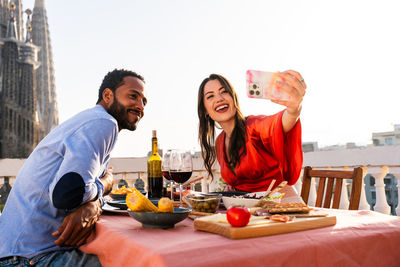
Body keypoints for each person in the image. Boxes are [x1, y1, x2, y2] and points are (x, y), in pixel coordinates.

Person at [0, 69, 147, 266]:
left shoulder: (91, 121)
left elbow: (77, 190)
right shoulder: (104, 122)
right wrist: (106, 183)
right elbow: (67, 194)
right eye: (133, 96)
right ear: (108, 95)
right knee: (135, 259)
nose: (140, 106)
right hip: (29, 258)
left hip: (18, 251)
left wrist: (95, 204)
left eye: (144, 101)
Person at [197, 70, 306, 192]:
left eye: (224, 92)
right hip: (246, 207)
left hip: (279, 202)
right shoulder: (220, 141)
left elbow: (281, 122)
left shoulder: (254, 126)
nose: (219, 98)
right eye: (210, 96)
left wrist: (294, 108)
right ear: (205, 110)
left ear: (233, 98)